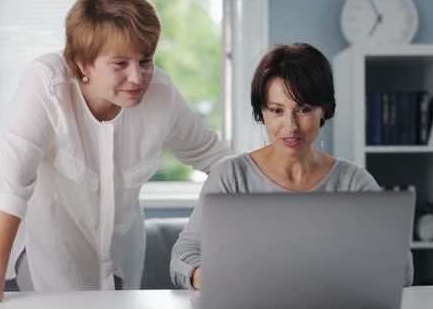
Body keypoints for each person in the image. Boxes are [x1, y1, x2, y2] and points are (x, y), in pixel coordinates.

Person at [0, 0, 230, 309]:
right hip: (51, 256)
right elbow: (10, 189)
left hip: (121, 259)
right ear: (83, 62)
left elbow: (221, 163)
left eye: (145, 60)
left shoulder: (161, 94)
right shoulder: (46, 84)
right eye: (120, 64)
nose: (137, 77)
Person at [170, 43, 414, 290]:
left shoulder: (354, 182)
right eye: (276, 110)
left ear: (323, 111)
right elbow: (183, 255)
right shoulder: (230, 176)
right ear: (262, 112)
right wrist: (214, 280)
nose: (291, 126)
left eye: (304, 109)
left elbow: (401, 270)